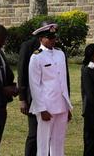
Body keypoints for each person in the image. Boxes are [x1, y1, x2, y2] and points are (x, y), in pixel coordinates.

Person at [28, 24, 72, 156]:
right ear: (41, 39)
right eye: (49, 37)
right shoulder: (36, 57)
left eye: (54, 37)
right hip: (46, 106)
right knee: (43, 143)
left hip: (61, 104)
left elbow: (63, 81)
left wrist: (67, 105)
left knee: (59, 142)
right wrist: (42, 109)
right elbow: (34, 85)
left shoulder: (60, 54)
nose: (53, 40)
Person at [17, 22, 54, 156]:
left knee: (50, 133)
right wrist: (22, 99)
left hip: (52, 97)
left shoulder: (55, 48)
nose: (53, 39)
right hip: (34, 97)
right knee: (34, 133)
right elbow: (22, 73)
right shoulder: (28, 46)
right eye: (49, 35)